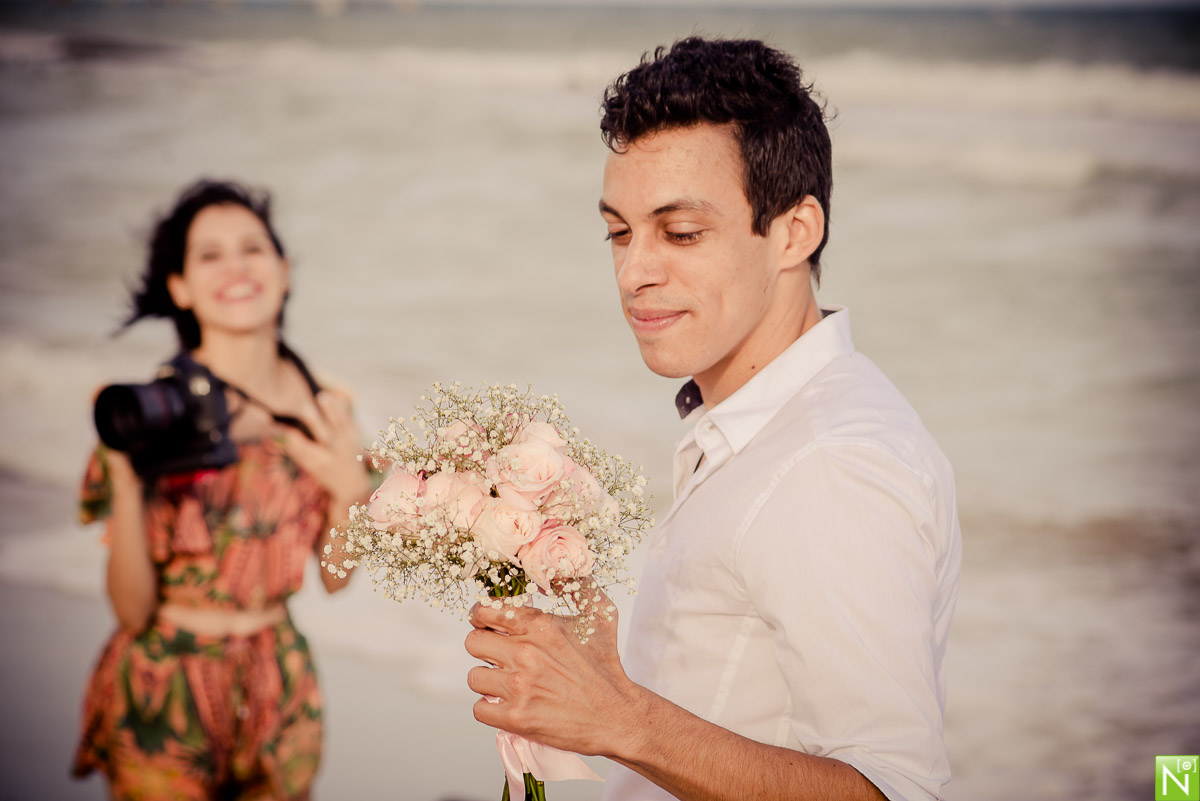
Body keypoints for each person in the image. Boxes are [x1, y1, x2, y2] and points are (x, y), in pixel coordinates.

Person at [464, 37, 961, 801]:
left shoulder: (834, 464)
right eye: (619, 232)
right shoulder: (750, 416)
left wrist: (619, 716)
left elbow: (894, 789)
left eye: (681, 232)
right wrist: (606, 683)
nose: (634, 272)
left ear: (795, 232)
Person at [72, 179, 372, 800]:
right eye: (209, 255)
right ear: (179, 287)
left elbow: (336, 578)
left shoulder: (327, 410)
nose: (235, 267)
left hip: (278, 683)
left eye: (252, 249)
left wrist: (351, 491)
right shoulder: (151, 416)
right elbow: (130, 611)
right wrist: (128, 480)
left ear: (284, 271)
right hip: (162, 688)